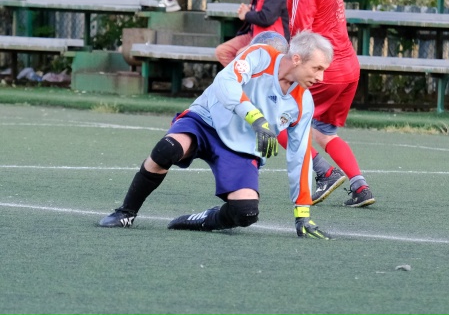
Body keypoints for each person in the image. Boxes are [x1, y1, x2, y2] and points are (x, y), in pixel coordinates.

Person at [98, 30, 334, 240]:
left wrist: (302, 213)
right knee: (166, 150)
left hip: (241, 148)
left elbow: (300, 156)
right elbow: (225, 81)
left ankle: (204, 219)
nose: (321, 78)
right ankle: (126, 212)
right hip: (205, 121)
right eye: (317, 68)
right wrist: (255, 118)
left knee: (246, 213)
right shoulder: (260, 55)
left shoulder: (304, 103)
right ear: (296, 59)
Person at [279, 0, 376, 208]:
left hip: (324, 69)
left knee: (274, 119)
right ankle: (360, 186)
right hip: (348, 68)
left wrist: (284, 73)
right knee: (323, 131)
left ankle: (324, 173)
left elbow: (301, 39)